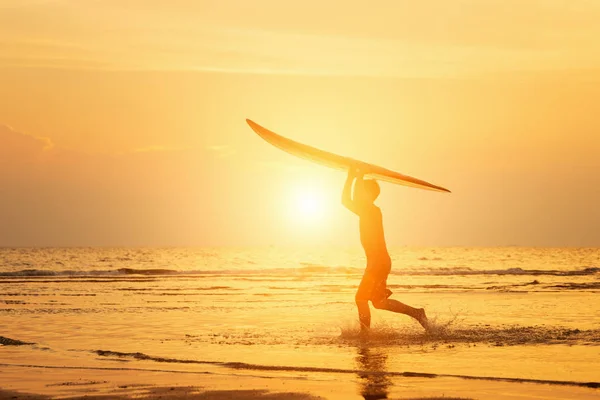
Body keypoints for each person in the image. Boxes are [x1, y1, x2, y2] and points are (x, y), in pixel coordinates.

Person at [342, 166, 428, 333]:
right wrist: (354, 177)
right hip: (379, 262)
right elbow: (347, 200)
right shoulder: (366, 210)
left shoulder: (371, 210)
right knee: (378, 302)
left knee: (360, 299)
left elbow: (350, 199)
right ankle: (417, 313)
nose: (359, 196)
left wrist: (355, 177)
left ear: (367, 195)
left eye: (362, 192)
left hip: (377, 263)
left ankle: (365, 334)